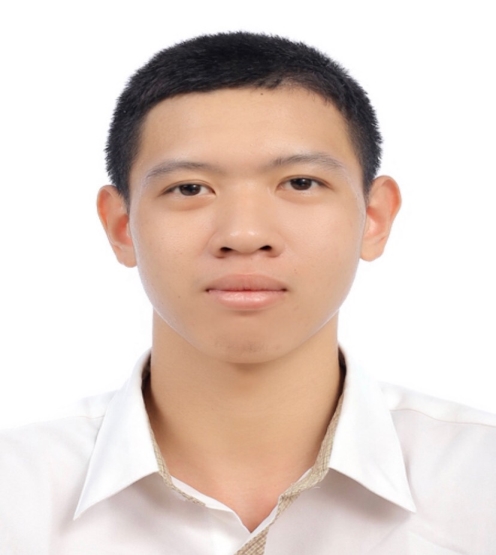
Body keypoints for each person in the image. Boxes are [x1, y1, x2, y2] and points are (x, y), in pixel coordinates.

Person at [1, 32, 495, 555]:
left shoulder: (480, 481)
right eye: (189, 188)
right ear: (122, 226)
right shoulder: (15, 495)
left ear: (374, 217)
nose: (243, 234)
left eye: (300, 183)